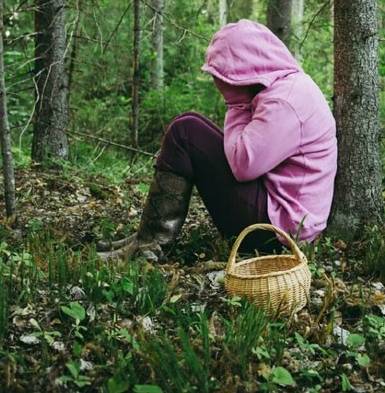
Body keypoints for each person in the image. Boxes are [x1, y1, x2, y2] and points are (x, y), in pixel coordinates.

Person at [99, 19, 337, 260]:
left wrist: (236, 104)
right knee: (189, 123)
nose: (218, 82)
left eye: (223, 76)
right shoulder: (285, 88)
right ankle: (146, 237)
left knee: (186, 132)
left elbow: (243, 166)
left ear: (246, 68)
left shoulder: (285, 102)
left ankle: (149, 245)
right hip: (282, 215)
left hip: (278, 233)